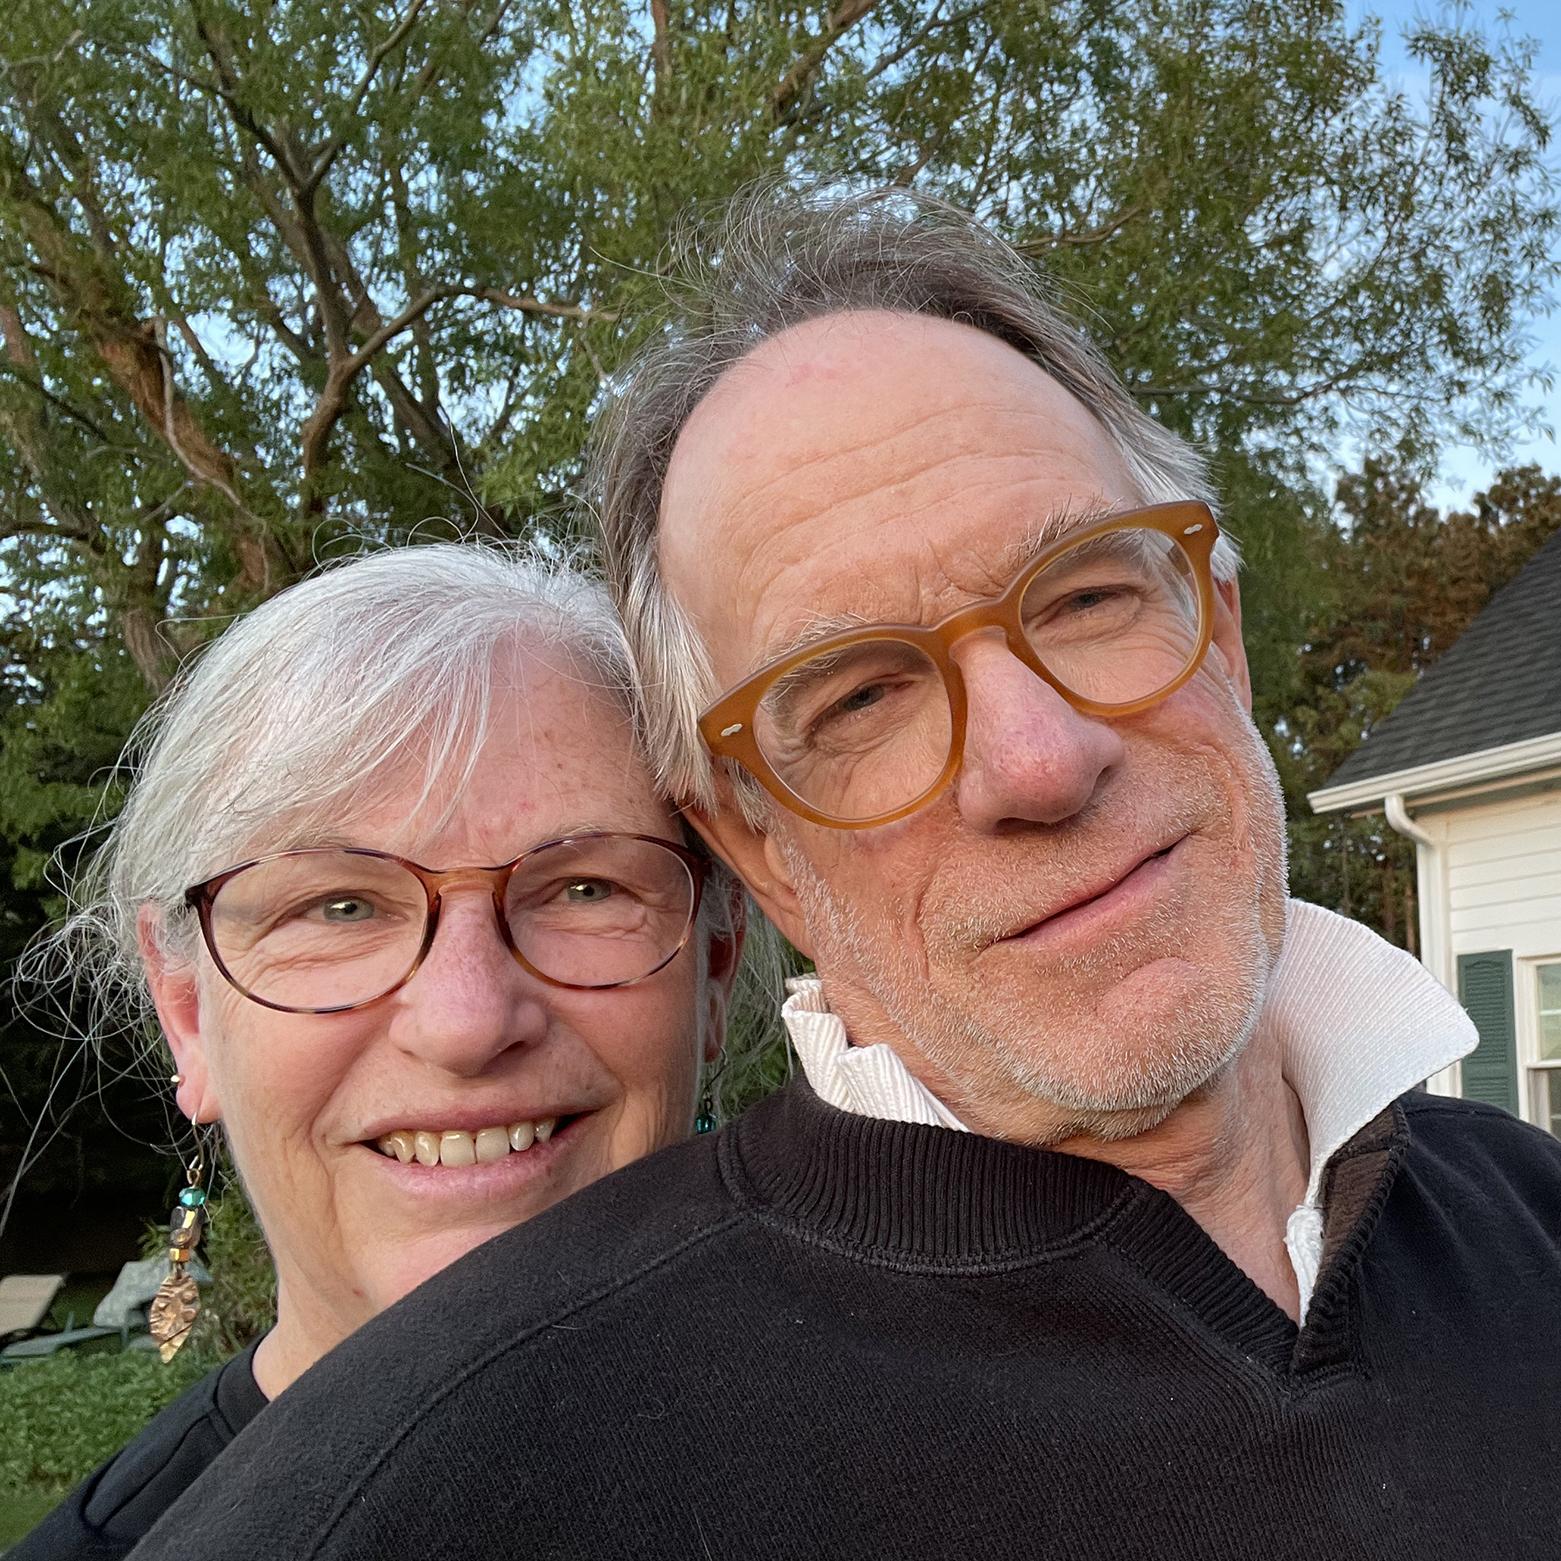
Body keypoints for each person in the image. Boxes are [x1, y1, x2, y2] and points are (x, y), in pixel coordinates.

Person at [129, 190, 1561, 1561]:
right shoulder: (433, 1478)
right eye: (860, 696)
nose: (1040, 758)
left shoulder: (1528, 1216)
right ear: (756, 848)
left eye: (1085, 595)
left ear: (1223, 636)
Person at [9, 542, 742, 1561]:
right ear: (186, 1011)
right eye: (338, 905)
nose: (467, 1021)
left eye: (584, 889)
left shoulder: (946, 1468)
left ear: (713, 967)